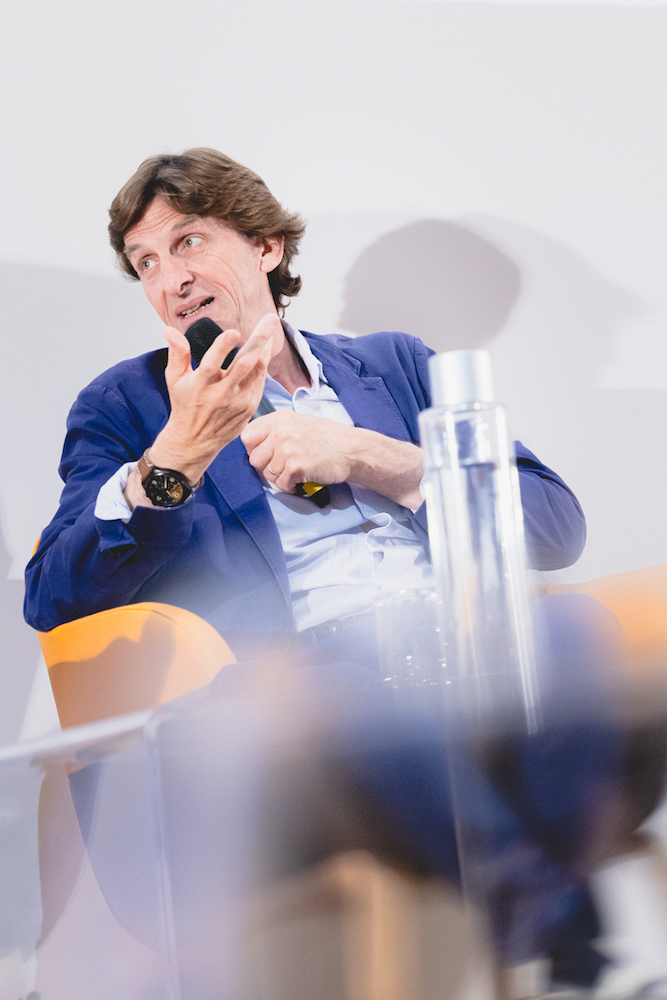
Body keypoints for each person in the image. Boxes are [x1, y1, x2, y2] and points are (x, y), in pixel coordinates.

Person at [25, 148, 614, 990]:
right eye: (145, 262)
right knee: (357, 688)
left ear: (265, 247)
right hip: (299, 683)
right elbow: (54, 595)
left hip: (457, 647)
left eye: (188, 242)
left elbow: (554, 527)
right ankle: (558, 932)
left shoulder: (396, 366)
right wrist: (174, 459)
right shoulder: (128, 405)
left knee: (576, 630)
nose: (169, 280)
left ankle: (539, 914)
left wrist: (373, 457)